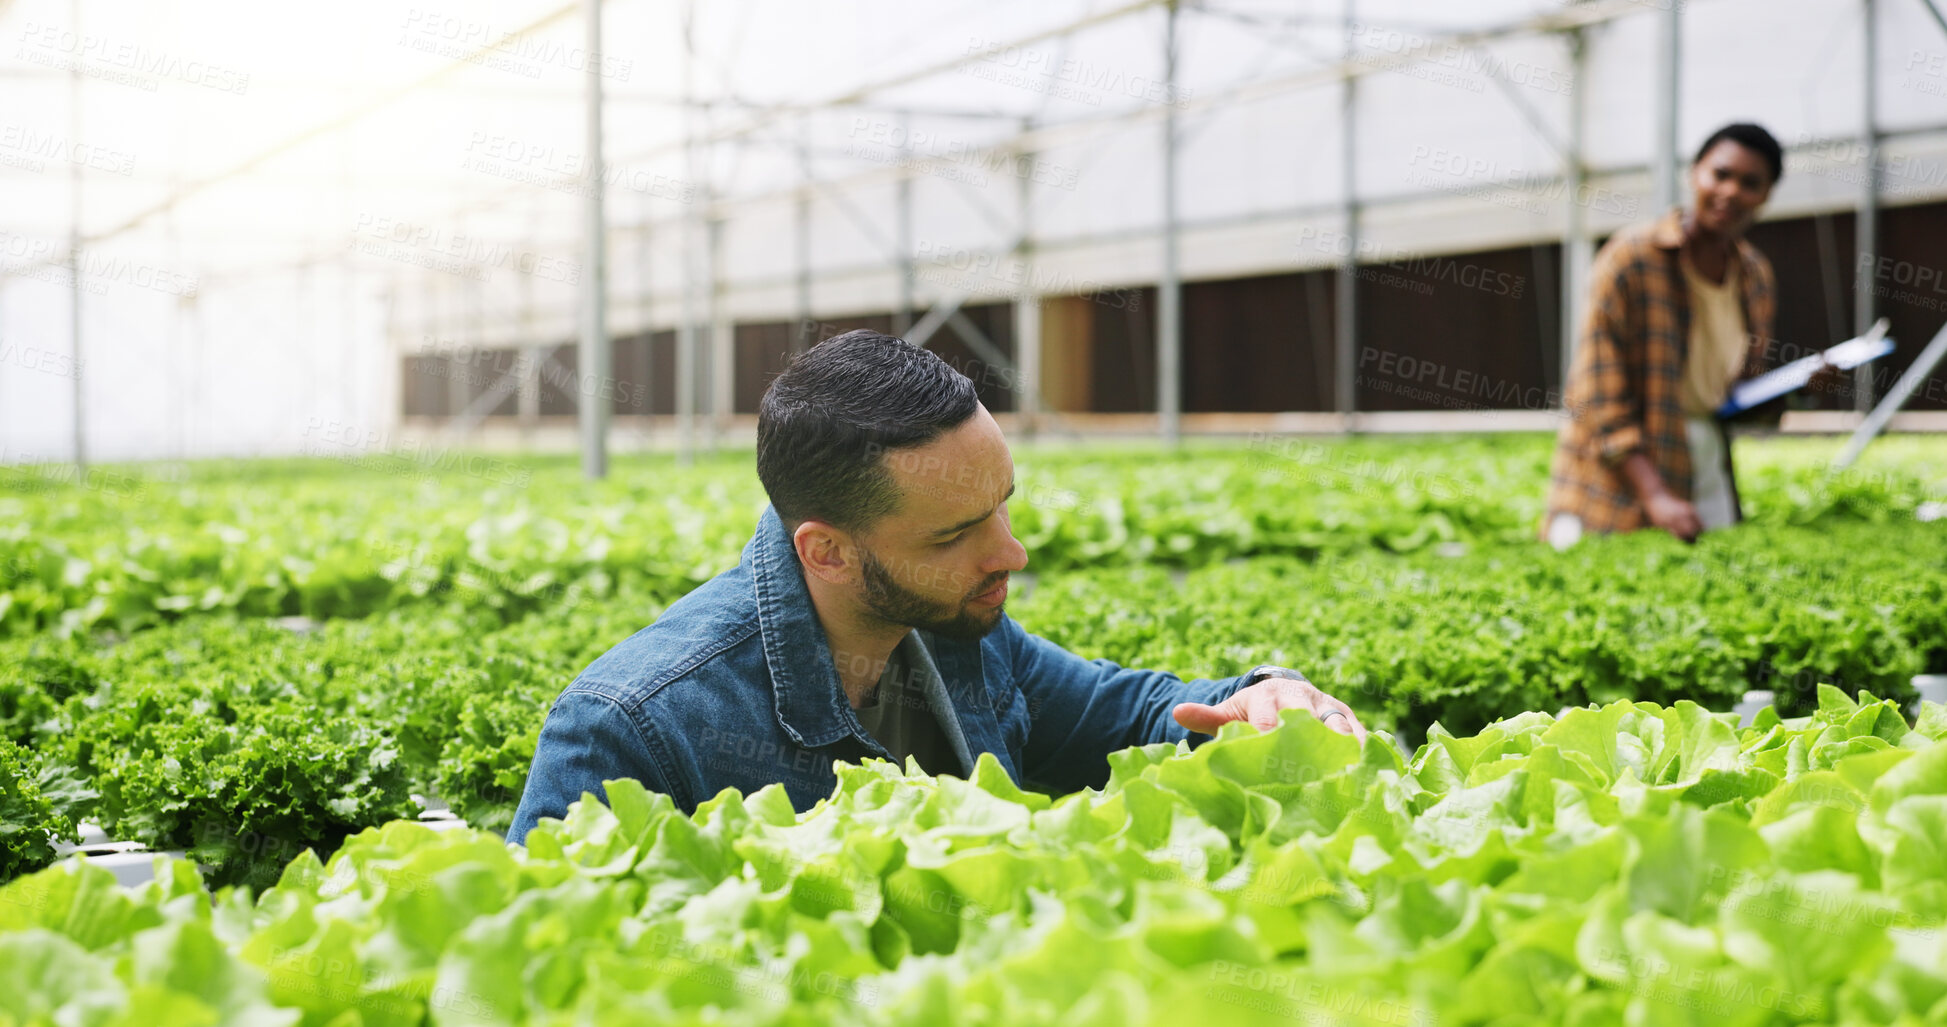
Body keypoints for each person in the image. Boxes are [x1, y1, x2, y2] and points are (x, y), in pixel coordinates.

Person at [506, 330, 1367, 843]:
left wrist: (1262, 698)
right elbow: (539, 972)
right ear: (829, 552)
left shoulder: (960, 634)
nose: (1012, 553)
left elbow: (1138, 712)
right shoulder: (630, 728)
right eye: (956, 534)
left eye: (1001, 507)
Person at [1544, 123, 1786, 548]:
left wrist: (1798, 389)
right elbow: (1597, 390)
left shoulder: (1754, 275)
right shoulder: (1632, 258)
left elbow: (1736, 391)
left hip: (1704, 460)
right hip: (1617, 471)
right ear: (1695, 174)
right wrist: (1653, 493)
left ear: (1766, 195)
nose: (1730, 192)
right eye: (1721, 175)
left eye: (1750, 183)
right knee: (1606, 583)